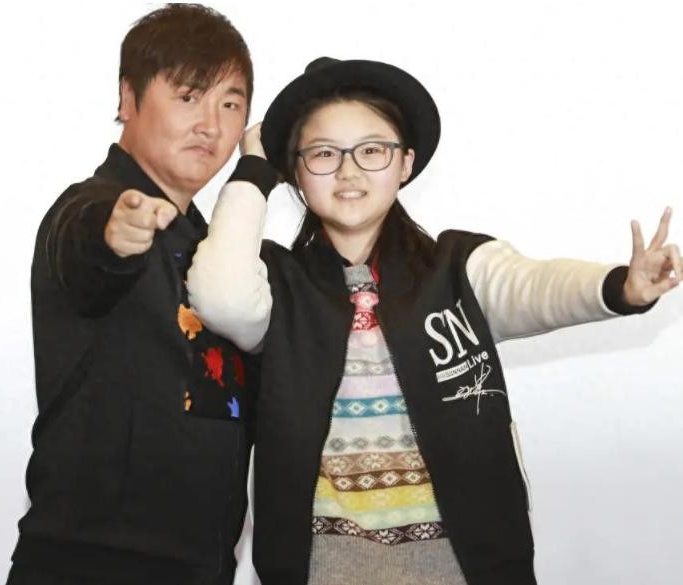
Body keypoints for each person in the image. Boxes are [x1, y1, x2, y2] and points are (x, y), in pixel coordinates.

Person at [186, 57, 681, 585]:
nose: (349, 172)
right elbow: (220, 297)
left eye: (372, 150)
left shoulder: (457, 267)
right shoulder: (278, 285)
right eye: (324, 153)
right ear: (297, 172)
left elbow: (534, 287)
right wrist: (254, 170)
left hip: (464, 568)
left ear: (405, 163)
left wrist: (620, 287)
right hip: (324, 568)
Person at [6, 5, 261, 585]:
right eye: (189, 96)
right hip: (91, 563)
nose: (211, 125)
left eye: (230, 104)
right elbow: (86, 243)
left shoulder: (211, 246)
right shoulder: (92, 205)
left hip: (201, 566)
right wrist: (115, 233)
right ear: (128, 98)